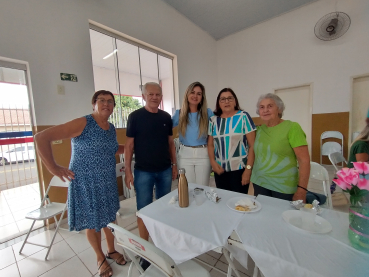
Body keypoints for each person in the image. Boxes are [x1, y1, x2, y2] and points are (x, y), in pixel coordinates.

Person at [35, 90, 126, 277]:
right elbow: (41, 137)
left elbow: (113, 149)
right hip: (86, 183)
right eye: (101, 100)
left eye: (110, 101)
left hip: (106, 182)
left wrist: (134, 146)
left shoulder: (111, 128)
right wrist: (53, 168)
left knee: (109, 217)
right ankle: (100, 258)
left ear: (113, 107)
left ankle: (111, 250)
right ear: (94, 104)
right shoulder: (84, 123)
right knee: (93, 222)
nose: (106, 104)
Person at [124, 82, 177, 270]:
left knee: (164, 209)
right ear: (144, 96)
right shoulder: (135, 117)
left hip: (164, 170)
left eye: (158, 94)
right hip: (143, 171)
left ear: (161, 96)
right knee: (144, 211)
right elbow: (129, 146)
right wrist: (128, 171)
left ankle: (162, 244)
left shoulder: (166, 117)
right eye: (151, 94)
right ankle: (144, 250)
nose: (155, 97)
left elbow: (170, 143)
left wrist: (174, 165)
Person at [251, 93, 310, 201]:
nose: (265, 110)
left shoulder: (292, 127)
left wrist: (302, 190)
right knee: (262, 215)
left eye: (270, 106)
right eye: (262, 107)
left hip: (284, 186)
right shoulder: (258, 130)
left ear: (279, 109)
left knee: (284, 216)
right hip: (259, 182)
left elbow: (304, 161)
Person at [207, 88, 256, 194]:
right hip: (220, 169)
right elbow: (210, 144)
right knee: (223, 201)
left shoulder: (243, 117)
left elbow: (253, 146)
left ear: (235, 101)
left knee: (239, 203)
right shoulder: (213, 120)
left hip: (239, 169)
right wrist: (212, 162)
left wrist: (248, 169)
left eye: (230, 98)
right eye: (223, 99)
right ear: (218, 103)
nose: (226, 101)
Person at [172, 82, 213, 186]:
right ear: (187, 94)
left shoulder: (208, 113)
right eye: (193, 92)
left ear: (202, 97)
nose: (195, 96)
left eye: (199, 94)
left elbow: (216, 134)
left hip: (203, 153)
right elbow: (165, 129)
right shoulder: (179, 113)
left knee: (203, 188)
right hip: (185, 154)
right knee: (188, 188)